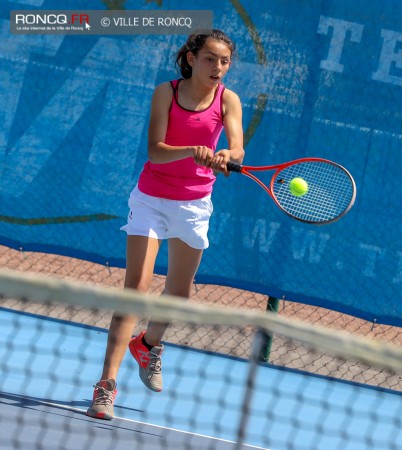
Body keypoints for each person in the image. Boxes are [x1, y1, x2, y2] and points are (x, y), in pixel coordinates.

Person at [86, 29, 245, 420]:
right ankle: (105, 386)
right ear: (191, 59)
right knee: (134, 291)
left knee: (179, 294)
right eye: (210, 59)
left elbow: (238, 146)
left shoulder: (229, 100)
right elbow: (155, 151)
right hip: (152, 200)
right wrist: (193, 151)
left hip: (193, 205)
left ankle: (149, 344)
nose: (218, 68)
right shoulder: (166, 92)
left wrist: (227, 153)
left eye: (224, 61)